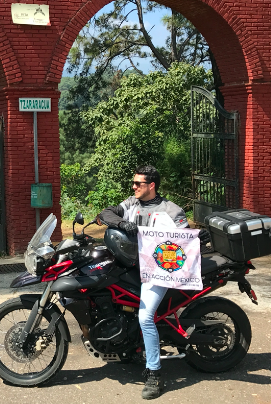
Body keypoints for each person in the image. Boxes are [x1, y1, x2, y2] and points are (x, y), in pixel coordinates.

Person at [97, 165, 188, 400]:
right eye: (134, 183)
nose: (134, 187)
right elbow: (106, 213)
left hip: (158, 271)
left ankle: (154, 373)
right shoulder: (131, 204)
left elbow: (184, 243)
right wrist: (121, 223)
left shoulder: (171, 210)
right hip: (133, 266)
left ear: (151, 185)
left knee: (145, 317)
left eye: (138, 183)